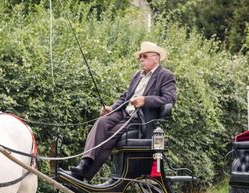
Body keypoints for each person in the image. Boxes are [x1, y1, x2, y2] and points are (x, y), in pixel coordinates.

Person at [69, 41, 177, 181]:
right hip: (124, 112)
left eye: (144, 56)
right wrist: (112, 108)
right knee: (102, 121)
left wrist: (145, 100)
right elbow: (126, 97)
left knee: (110, 136)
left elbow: (169, 98)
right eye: (140, 57)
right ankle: (84, 163)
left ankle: (84, 174)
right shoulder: (137, 75)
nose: (141, 60)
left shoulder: (165, 75)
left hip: (140, 118)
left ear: (155, 58)